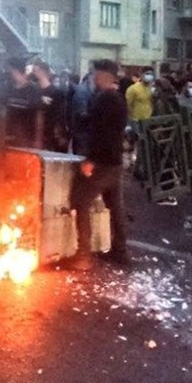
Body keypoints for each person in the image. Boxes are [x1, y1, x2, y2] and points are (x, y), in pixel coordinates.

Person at [67, 60, 129, 270]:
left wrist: (90, 159)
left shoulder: (106, 99)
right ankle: (120, 251)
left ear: (105, 76)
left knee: (81, 201)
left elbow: (100, 133)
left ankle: (83, 255)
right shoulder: (118, 98)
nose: (93, 78)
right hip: (115, 161)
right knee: (116, 206)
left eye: (96, 74)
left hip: (102, 162)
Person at [32, 61, 69, 152]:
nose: (33, 73)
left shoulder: (56, 92)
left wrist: (60, 134)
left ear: (43, 71)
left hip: (50, 133)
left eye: (36, 70)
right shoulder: (33, 90)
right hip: (36, 132)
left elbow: (60, 115)